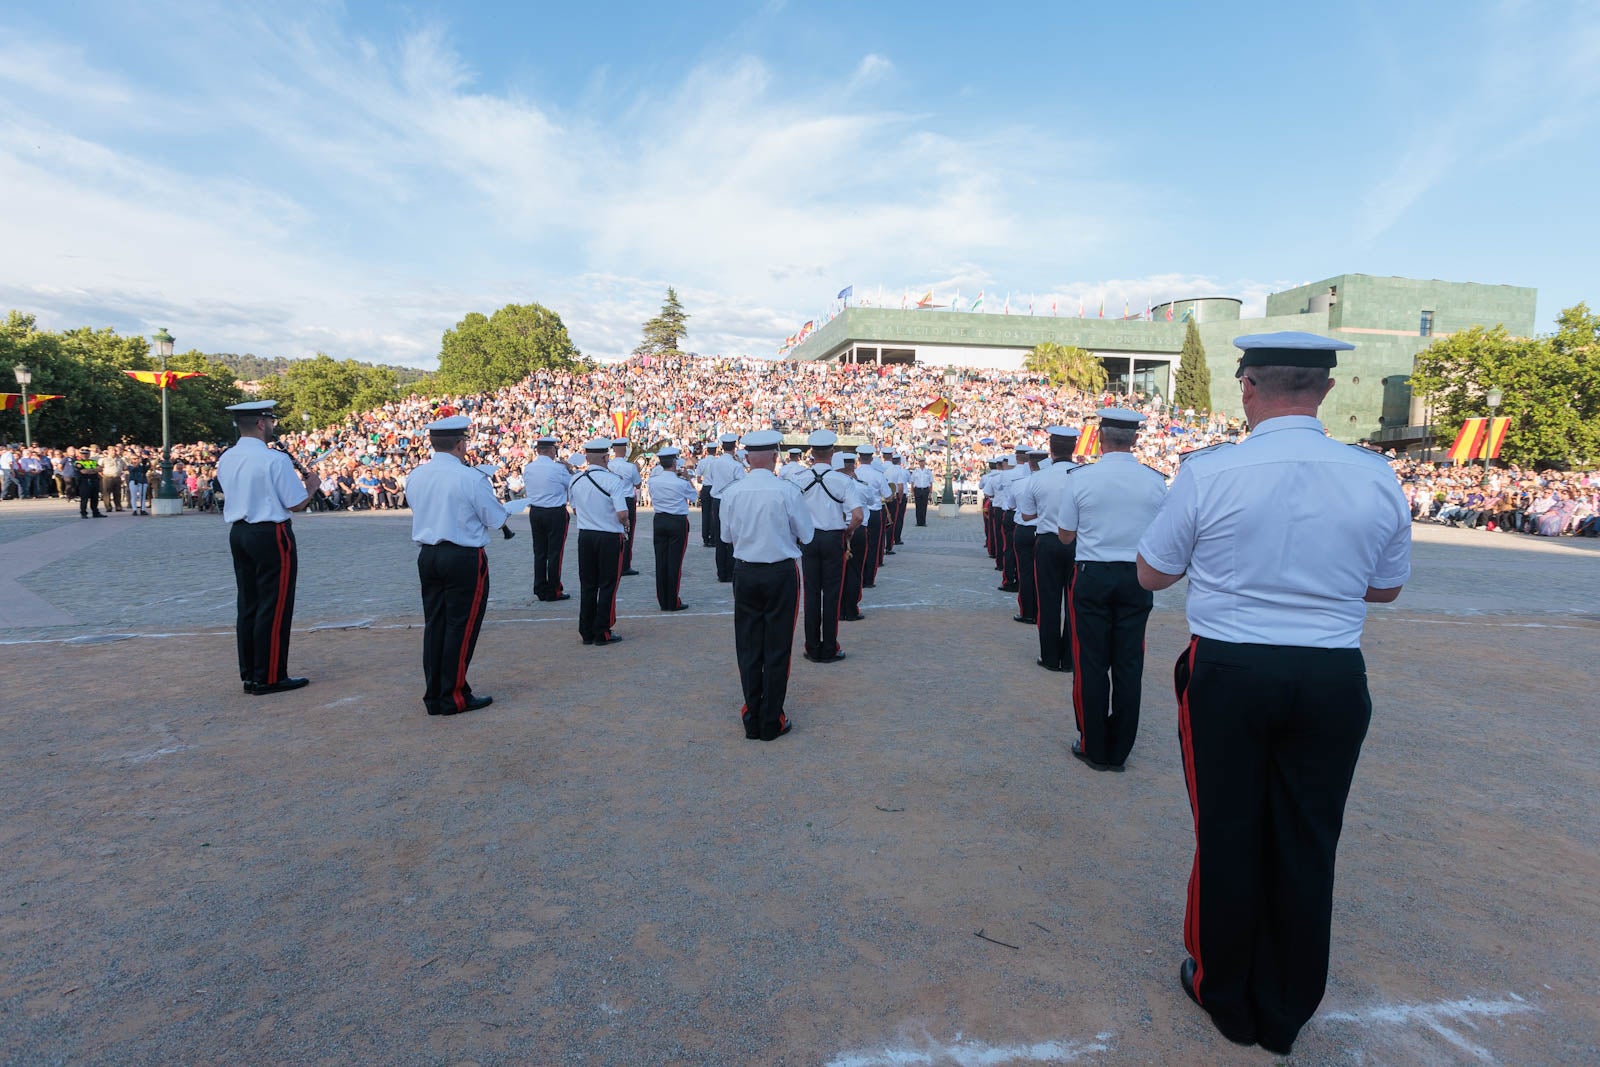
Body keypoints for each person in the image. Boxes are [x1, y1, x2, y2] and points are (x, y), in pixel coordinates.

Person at [1136, 332, 1411, 1055]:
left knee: (1228, 830)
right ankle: (1287, 1005)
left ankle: (1226, 992)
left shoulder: (1210, 470)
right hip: (1329, 673)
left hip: (1231, 668)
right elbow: (1385, 587)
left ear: (1248, 386)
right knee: (1308, 838)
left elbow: (1152, 575)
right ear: (1324, 390)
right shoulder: (1372, 473)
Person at [1054, 409, 1166, 769]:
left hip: (1093, 574)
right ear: (1135, 439)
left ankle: (1094, 744)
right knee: (1129, 663)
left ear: (1100, 438)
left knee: (1091, 662)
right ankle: (1120, 749)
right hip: (1136, 577)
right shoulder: (1154, 481)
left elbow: (1065, 535)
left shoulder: (1081, 478)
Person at [406, 416, 510, 715]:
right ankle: (453, 694)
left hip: (428, 554)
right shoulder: (471, 477)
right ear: (461, 444)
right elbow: (496, 519)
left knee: (435, 624)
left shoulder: (416, 475)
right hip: (463, 555)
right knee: (461, 626)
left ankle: (435, 694)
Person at [217, 400, 320, 695]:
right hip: (271, 533)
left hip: (239, 532)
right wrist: (311, 486)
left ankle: (251, 672)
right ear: (262, 423)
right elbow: (296, 503)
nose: (273, 425)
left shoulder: (227, 457)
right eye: (271, 421)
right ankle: (270, 674)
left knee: (248, 603)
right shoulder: (274, 460)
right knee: (274, 604)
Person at [718, 429, 814, 740]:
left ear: (746, 458)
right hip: (780, 572)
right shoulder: (787, 491)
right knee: (777, 646)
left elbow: (726, 538)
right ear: (775, 457)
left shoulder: (732, 492)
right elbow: (807, 534)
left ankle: (752, 713)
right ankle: (772, 717)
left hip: (745, 572)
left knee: (748, 644)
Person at [795, 430, 861, 664]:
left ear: (811, 454)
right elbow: (858, 515)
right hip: (834, 538)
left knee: (811, 594)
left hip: (809, 539)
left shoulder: (799, 478)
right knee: (832, 595)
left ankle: (812, 646)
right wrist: (847, 531)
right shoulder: (843, 480)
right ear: (832, 454)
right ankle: (830, 647)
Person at [1022, 427, 1082, 672]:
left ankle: (1049, 657)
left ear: (1051, 449)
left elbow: (1027, 515)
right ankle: (1069, 659)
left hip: (1047, 541)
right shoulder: (1083, 474)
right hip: (1078, 543)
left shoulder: (1037, 477)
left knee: (1047, 602)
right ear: (1074, 448)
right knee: (1074, 603)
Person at [570, 438, 631, 645]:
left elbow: (575, 510)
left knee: (588, 585)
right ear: (606, 458)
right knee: (607, 585)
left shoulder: (575, 480)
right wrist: (627, 524)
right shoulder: (613, 480)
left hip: (585, 536)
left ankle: (586, 631)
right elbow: (622, 513)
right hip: (608, 537)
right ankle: (602, 631)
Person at [521, 435, 572, 601]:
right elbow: (572, 484)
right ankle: (554, 589)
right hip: (555, 512)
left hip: (536, 512)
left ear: (538, 451)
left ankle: (540, 587)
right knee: (555, 552)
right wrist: (570, 469)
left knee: (540, 552)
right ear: (552, 450)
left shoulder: (528, 468)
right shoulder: (558, 468)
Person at [647, 446, 696, 611]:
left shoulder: (653, 480)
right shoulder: (680, 482)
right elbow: (694, 497)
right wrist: (688, 478)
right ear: (674, 462)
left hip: (659, 519)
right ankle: (672, 600)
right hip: (677, 521)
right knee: (675, 562)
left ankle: (663, 600)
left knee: (660, 561)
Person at [1009, 448, 1048, 624]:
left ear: (1030, 465)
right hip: (1045, 532)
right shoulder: (1058, 482)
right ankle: (1043, 612)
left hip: (1025, 530)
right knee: (1046, 575)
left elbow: (1011, 506)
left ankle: (1028, 612)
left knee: (1025, 573)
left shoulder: (1019, 483)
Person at [836, 452, 873, 621]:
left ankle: (838, 609)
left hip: (837, 530)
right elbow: (872, 501)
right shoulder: (862, 486)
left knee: (836, 573)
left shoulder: (832, 484)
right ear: (853, 466)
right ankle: (851, 609)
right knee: (855, 571)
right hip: (857, 530)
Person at [706, 432, 746, 582]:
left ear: (722, 447)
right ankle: (730, 570)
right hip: (731, 501)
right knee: (732, 535)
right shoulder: (736, 465)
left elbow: (710, 479)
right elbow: (742, 484)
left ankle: (721, 572)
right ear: (734, 447)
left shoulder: (714, 463)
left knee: (719, 537)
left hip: (717, 500)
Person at [854, 445, 890, 588]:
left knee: (857, 547)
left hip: (857, 512)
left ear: (859, 458)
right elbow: (887, 495)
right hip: (874, 512)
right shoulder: (877, 475)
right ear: (871, 458)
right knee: (873, 546)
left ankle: (858, 577)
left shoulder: (854, 473)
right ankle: (868, 579)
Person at [609, 438, 642, 575]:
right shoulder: (630, 466)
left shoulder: (608, 465)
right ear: (625, 450)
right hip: (627, 500)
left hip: (612, 501)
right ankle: (625, 565)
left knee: (612, 530)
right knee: (628, 532)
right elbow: (638, 484)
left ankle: (613, 562)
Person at [75, 453, 104, 517]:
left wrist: (90, 470)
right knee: (84, 498)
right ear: (81, 455)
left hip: (94, 481)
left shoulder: (93, 461)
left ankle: (95, 512)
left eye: (86, 454)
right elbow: (83, 471)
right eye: (83, 454)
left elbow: (100, 469)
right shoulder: (78, 462)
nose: (85, 455)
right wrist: (94, 470)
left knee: (95, 498)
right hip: (84, 482)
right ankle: (83, 513)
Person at [910, 459, 934, 525]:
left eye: (922, 462)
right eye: (920, 462)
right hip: (917, 489)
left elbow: (931, 482)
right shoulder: (915, 471)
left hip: (925, 489)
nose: (921, 463)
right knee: (918, 506)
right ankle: (918, 522)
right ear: (918, 463)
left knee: (924, 506)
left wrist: (930, 492)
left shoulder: (928, 471)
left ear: (924, 462)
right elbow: (912, 482)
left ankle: (923, 522)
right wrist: (912, 491)